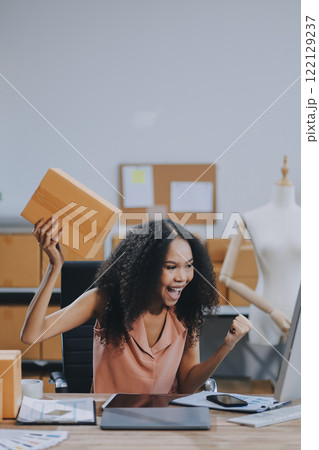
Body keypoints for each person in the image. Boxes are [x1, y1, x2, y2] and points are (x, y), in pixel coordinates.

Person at [21, 217, 252, 394]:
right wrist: (54, 266)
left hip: (164, 421)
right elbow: (32, 334)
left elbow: (187, 384)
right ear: (145, 269)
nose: (182, 277)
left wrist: (227, 345)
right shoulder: (105, 300)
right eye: (171, 267)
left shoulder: (186, 311)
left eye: (189, 266)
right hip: (109, 418)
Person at [219, 157, 300, 345]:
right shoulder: (250, 219)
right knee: (260, 373)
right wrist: (272, 310)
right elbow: (225, 277)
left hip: (301, 314)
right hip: (264, 313)